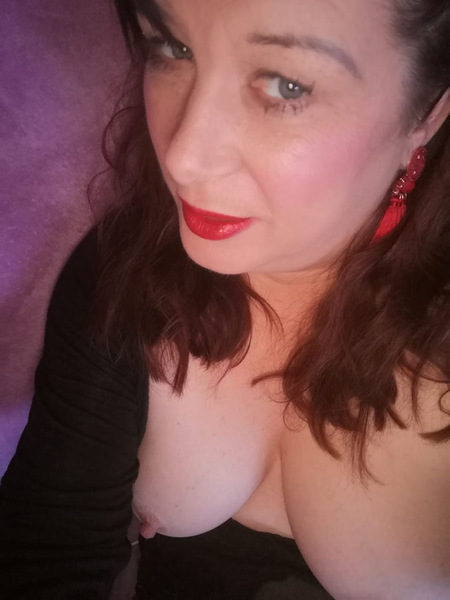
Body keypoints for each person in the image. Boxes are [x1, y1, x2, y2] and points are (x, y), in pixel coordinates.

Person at [1, 0, 449, 598]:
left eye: (286, 85)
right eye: (172, 48)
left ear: (427, 111)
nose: (182, 156)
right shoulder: (127, 269)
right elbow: (47, 552)